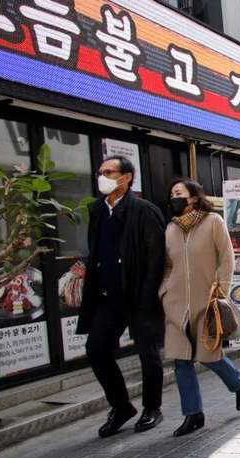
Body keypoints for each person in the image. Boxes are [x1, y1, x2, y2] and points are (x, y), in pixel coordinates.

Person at [76, 156, 165, 438]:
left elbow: (157, 257)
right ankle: (121, 406)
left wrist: (149, 295)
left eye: (109, 172)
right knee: (96, 349)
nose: (102, 177)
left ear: (126, 177)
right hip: (107, 297)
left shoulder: (144, 210)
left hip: (139, 296)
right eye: (100, 172)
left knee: (148, 354)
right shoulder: (97, 211)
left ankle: (152, 407)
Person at [160, 180, 240, 438]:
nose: (174, 197)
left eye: (179, 193)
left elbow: (226, 256)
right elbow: (167, 265)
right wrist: (164, 291)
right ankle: (193, 414)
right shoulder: (171, 228)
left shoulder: (213, 222)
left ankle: (239, 382)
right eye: (171, 193)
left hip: (207, 300)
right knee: (181, 360)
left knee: (209, 355)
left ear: (193, 197)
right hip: (176, 304)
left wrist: (221, 289)